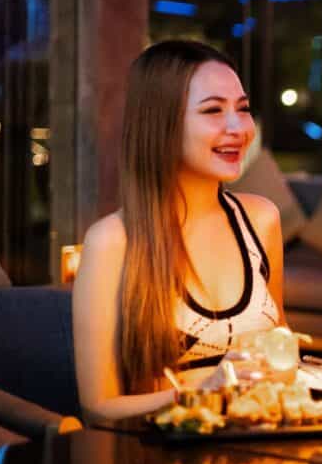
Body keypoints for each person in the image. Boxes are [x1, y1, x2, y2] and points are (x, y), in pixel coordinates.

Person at [73, 41, 284, 422]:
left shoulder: (262, 219)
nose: (238, 128)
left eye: (243, 108)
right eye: (213, 110)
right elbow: (97, 408)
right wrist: (203, 390)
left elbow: (282, 353)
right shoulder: (112, 242)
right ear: (162, 123)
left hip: (261, 458)